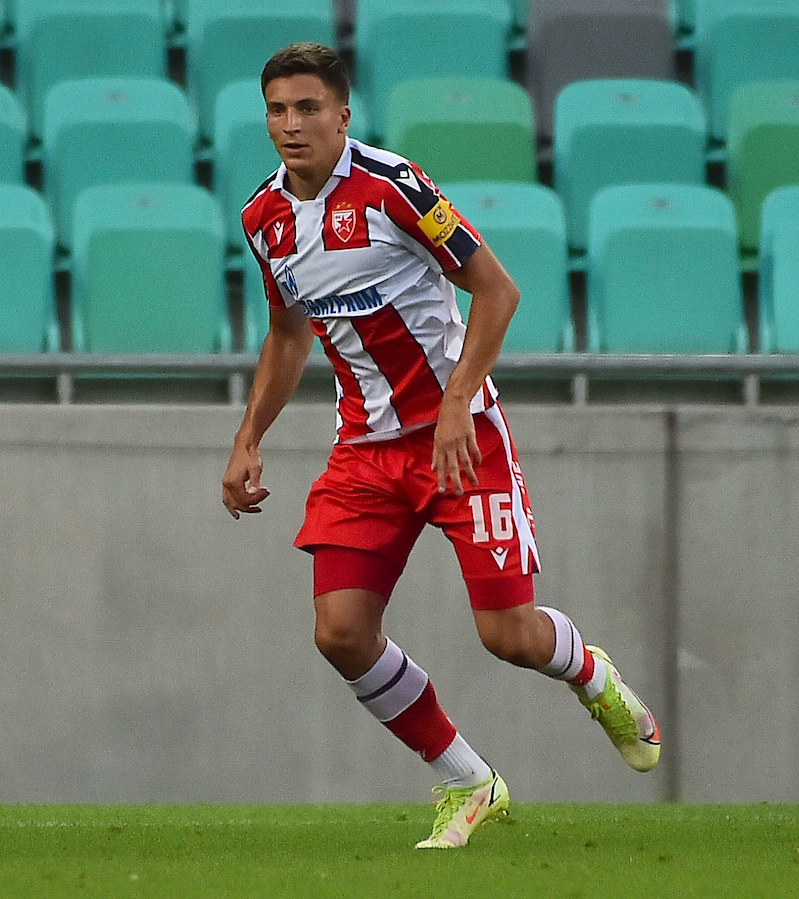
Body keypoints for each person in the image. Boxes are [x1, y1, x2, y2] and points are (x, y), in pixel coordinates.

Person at [221, 42, 661, 850]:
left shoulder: (394, 186)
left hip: (463, 438)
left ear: (342, 114)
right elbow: (288, 334)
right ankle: (468, 779)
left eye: (308, 108)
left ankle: (592, 674)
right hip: (365, 449)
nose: (291, 125)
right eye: (277, 110)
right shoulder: (263, 220)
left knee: (509, 636)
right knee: (339, 631)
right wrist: (249, 435)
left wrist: (458, 397)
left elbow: (498, 289)